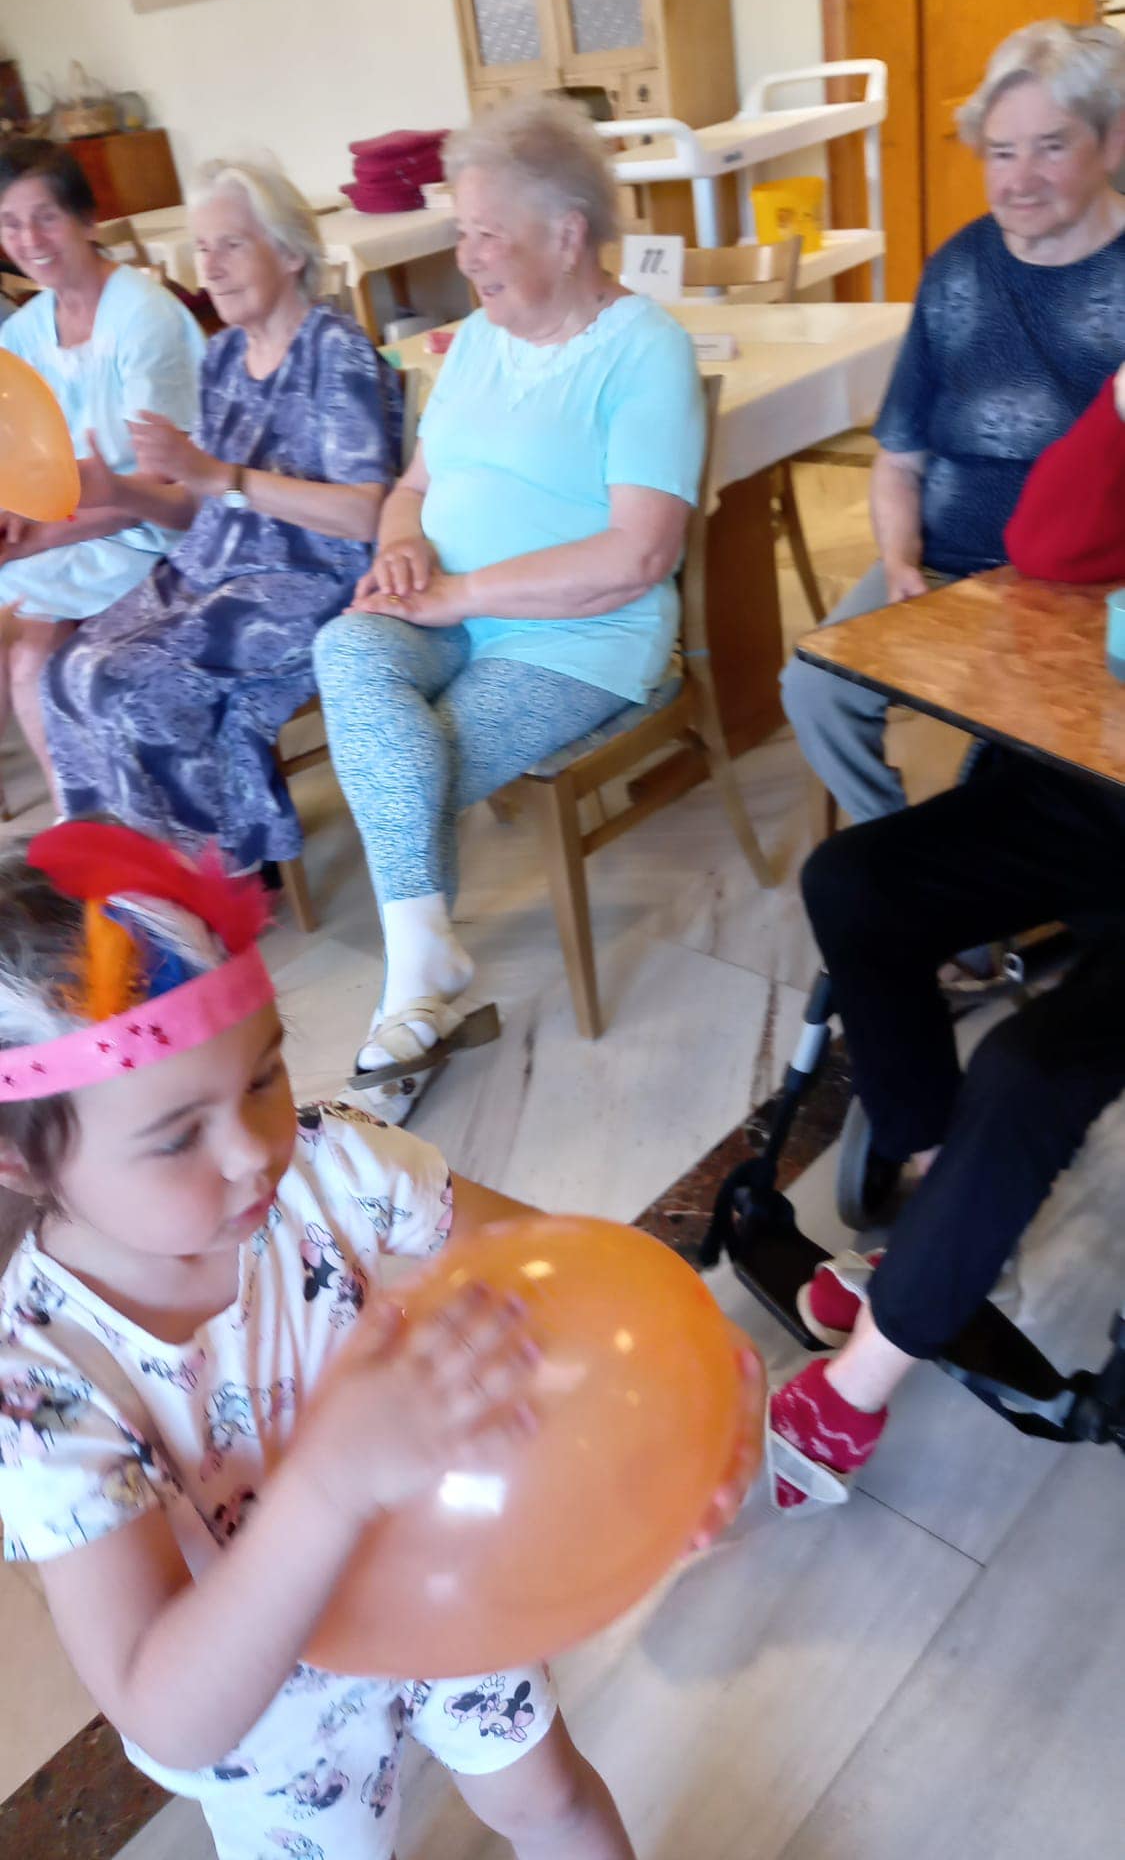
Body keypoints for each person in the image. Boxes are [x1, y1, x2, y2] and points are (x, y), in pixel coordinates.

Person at [0, 822, 640, 1859]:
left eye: (263, 1076)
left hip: (439, 1574)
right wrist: (332, 1483)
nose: (252, 1152)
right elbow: (164, 1709)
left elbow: (558, 1271)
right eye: (176, 1135)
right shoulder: (40, 1385)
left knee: (551, 1798)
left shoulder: (331, 1163)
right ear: (21, 1162)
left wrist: (668, 1409)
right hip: (270, 1720)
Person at [765, 368, 1125, 1506]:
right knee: (857, 881)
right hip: (1093, 784)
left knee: (1031, 1066)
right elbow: (1048, 547)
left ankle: (855, 1389)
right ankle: (936, 1207)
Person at [314, 95, 705, 1088]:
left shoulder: (645, 348)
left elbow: (637, 555)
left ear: (567, 235)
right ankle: (424, 968)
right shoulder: (478, 339)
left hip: (578, 637)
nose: (467, 256)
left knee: (414, 763)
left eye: (487, 233)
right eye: (463, 232)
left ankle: (413, 992)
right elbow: (412, 486)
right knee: (343, 648)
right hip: (444, 603)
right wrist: (401, 547)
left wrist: (459, 594)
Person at [780, 19, 1125, 823]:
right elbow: (898, 458)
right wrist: (898, 561)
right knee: (814, 688)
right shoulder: (957, 267)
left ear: (1111, 143)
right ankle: (889, 841)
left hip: (1083, 585)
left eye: (1049, 147)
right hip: (939, 570)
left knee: (1026, 759)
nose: (1018, 180)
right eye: (1000, 153)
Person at [38, 157, 401, 871]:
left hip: (309, 581)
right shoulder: (224, 357)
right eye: (203, 248)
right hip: (211, 574)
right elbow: (196, 508)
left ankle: (211, 880)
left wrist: (222, 476)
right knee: (67, 670)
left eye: (232, 244)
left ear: (289, 253)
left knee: (128, 685)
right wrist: (116, 489)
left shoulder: (336, 351)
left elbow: (365, 516)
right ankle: (126, 875)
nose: (211, 267)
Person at [0, 139, 205, 796]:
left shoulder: (142, 317)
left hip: (153, 530)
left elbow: (163, 487)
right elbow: (19, 460)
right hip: (69, 532)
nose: (29, 240)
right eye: (10, 223)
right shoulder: (22, 334)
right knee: (25, 650)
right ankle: (86, 822)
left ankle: (97, 820)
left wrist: (36, 535)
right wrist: (13, 516)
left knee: (31, 656)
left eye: (46, 217)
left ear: (87, 220)